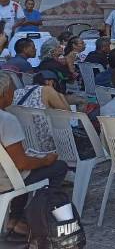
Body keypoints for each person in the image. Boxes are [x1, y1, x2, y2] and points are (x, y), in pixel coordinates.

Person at [0, 72, 68, 241]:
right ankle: (30, 220)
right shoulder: (6, 120)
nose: (14, 93)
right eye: (12, 89)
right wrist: (45, 160)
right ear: (5, 93)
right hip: (5, 179)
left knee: (26, 172)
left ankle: (15, 218)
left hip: (6, 173)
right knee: (58, 167)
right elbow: (21, 163)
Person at [11, 70, 70, 152]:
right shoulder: (47, 90)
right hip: (45, 145)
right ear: (50, 82)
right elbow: (68, 115)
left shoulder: (18, 92)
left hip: (22, 143)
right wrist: (61, 95)